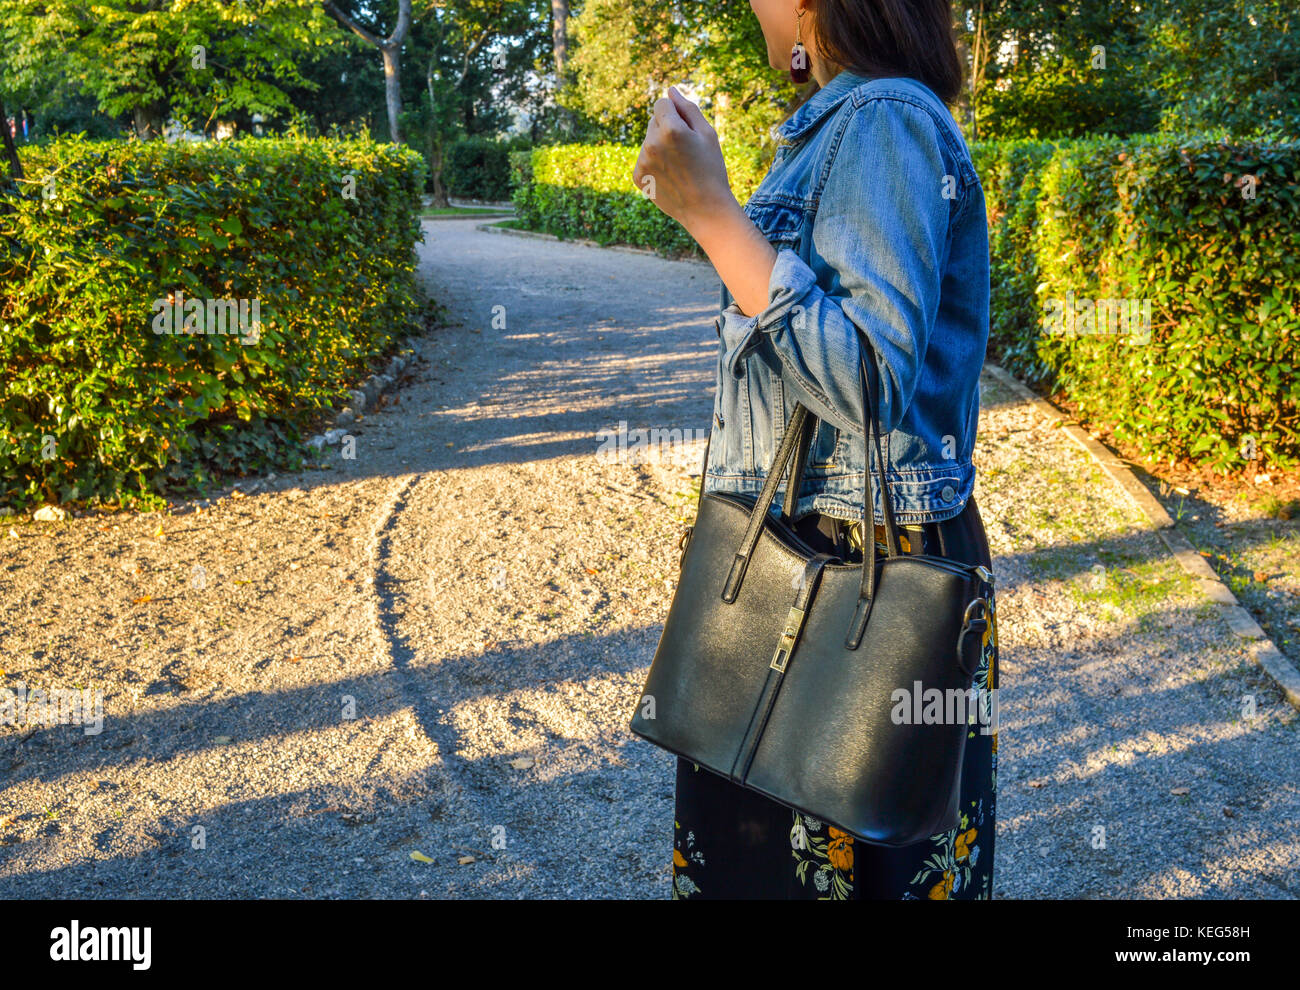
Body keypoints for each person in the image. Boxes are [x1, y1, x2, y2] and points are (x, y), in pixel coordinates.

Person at [632, 0, 999, 899]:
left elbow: (869, 379)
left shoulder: (886, 120)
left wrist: (712, 214)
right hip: (822, 555)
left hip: (860, 569)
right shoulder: (846, 125)